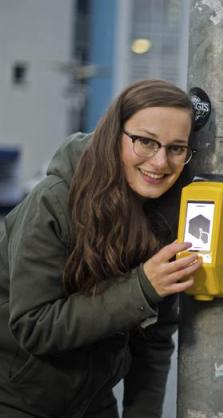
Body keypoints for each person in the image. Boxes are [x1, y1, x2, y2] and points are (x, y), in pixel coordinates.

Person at [0, 79, 202, 417]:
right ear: (114, 135)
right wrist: (141, 289)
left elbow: (154, 339)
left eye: (176, 148)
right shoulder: (54, 201)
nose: (160, 162)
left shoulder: (166, 215)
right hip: (17, 398)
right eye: (145, 142)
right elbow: (34, 326)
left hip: (92, 402)